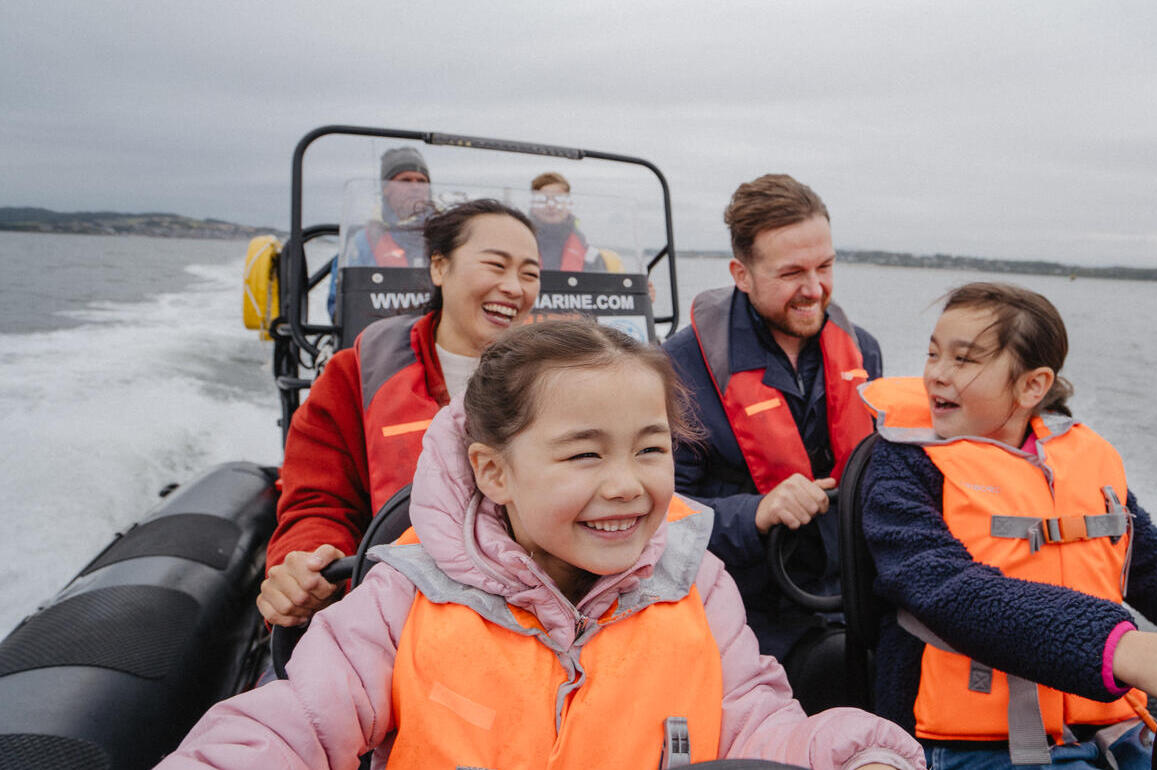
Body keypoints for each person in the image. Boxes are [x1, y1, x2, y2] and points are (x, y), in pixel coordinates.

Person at [159, 320, 925, 770]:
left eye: (650, 450)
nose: (628, 485)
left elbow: (761, 727)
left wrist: (859, 757)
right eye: (586, 454)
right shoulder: (403, 599)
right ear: (494, 472)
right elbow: (290, 725)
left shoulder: (699, 584)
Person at [859, 282, 1157, 770]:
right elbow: (948, 590)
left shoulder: (1086, 461)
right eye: (933, 354)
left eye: (963, 361)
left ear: (1032, 386)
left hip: (1113, 731)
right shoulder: (901, 464)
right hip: (970, 745)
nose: (936, 375)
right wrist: (1119, 649)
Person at [259, 198, 541, 628]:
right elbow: (319, 501)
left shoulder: (561, 380)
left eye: (530, 274)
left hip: (530, 612)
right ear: (439, 268)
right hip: (393, 615)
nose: (514, 288)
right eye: (495, 265)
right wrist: (310, 561)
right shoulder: (357, 374)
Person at [663, 173, 882, 664]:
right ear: (741, 274)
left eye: (825, 266)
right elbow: (656, 512)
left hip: (848, 599)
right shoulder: (677, 366)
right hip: (741, 609)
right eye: (791, 274)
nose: (814, 289)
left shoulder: (862, 351)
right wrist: (755, 511)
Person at [328, 146, 434, 317]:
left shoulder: (448, 235)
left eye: (422, 181)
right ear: (386, 188)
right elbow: (339, 306)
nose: (415, 187)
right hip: (380, 335)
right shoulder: (363, 241)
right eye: (405, 181)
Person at [529, 171, 607, 271]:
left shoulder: (590, 257)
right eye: (543, 199)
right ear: (533, 205)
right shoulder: (517, 248)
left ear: (569, 204)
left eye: (558, 199)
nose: (551, 205)